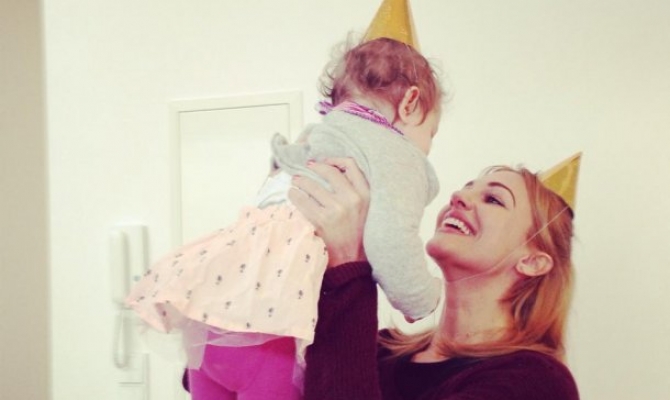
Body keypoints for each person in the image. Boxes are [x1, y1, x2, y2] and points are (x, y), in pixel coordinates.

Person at [126, 4, 444, 398]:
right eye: (432, 133)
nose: (427, 147)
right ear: (411, 103)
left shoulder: (311, 139)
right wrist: (421, 298)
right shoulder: (399, 155)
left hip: (211, 326)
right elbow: (391, 239)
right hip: (274, 333)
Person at [288, 154, 581, 400]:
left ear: (532, 262)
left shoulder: (538, 382)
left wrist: (349, 266)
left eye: (493, 199)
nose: (458, 197)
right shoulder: (379, 349)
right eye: (466, 189)